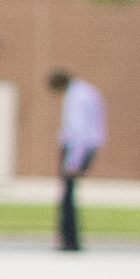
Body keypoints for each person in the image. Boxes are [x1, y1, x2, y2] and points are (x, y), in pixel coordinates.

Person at [51, 65, 105, 249]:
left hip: (77, 148)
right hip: (87, 146)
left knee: (66, 196)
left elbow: (78, 131)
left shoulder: (75, 97)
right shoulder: (86, 90)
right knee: (68, 194)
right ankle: (70, 240)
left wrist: (73, 160)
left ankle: (69, 241)